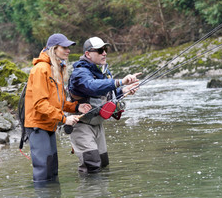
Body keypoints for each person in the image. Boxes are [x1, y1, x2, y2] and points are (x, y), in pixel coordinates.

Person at [24, 33, 91, 182]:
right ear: (54, 49)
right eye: (64, 47)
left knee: (52, 170)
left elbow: (57, 102)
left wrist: (76, 107)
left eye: (69, 47)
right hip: (37, 125)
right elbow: (40, 104)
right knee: (43, 170)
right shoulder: (41, 69)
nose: (68, 50)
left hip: (49, 123)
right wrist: (64, 118)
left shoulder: (57, 68)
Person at [68, 36, 141, 173]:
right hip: (81, 126)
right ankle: (89, 193)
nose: (104, 53)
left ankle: (101, 194)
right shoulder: (80, 73)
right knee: (92, 166)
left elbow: (107, 94)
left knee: (103, 163)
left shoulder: (103, 71)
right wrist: (119, 82)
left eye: (105, 49)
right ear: (88, 54)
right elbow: (92, 87)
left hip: (97, 124)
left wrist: (123, 90)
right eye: (100, 50)